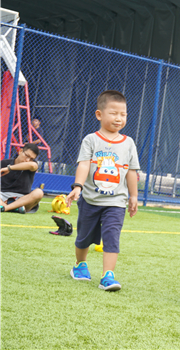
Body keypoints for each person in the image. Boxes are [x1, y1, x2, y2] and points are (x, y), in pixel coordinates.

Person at [65, 90, 140, 292]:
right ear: (99, 115)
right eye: (114, 113)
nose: (119, 118)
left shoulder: (129, 143)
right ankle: (80, 265)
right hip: (90, 199)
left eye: (123, 114)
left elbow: (132, 172)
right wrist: (78, 187)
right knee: (84, 237)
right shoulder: (91, 140)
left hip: (116, 202)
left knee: (112, 236)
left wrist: (133, 196)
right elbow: (83, 165)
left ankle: (108, 275)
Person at [0, 143, 44, 213]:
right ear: (20, 151)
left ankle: (5, 208)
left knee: (39, 192)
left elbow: (33, 165)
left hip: (22, 199)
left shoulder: (32, 165)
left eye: (31, 159)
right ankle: (13, 208)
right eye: (27, 156)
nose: (27, 160)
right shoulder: (4, 163)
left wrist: (9, 168)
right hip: (2, 196)